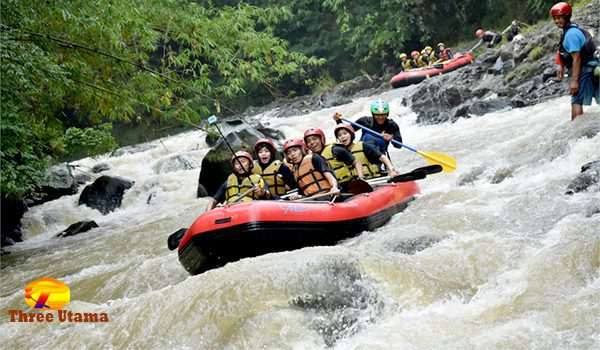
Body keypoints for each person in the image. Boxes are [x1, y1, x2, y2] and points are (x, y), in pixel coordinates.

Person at [550, 2, 599, 121]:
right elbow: (563, 50)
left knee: (576, 100)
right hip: (592, 66)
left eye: (560, 18)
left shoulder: (570, 34)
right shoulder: (571, 29)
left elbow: (576, 58)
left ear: (566, 17)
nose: (557, 21)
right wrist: (560, 65)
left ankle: (577, 133)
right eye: (555, 18)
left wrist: (574, 81)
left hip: (584, 69)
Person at [333, 99, 403, 155]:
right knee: (368, 137)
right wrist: (338, 121)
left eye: (383, 115)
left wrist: (392, 138)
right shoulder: (365, 121)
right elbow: (347, 131)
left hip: (380, 154)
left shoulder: (392, 125)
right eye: (377, 115)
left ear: (387, 114)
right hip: (362, 152)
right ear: (373, 114)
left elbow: (399, 146)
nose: (380, 117)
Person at [333, 124, 398, 179]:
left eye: (345, 133)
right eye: (339, 135)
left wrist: (391, 170)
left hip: (372, 179)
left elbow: (382, 157)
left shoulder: (363, 145)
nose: (342, 136)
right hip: (356, 183)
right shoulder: (339, 152)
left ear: (351, 134)